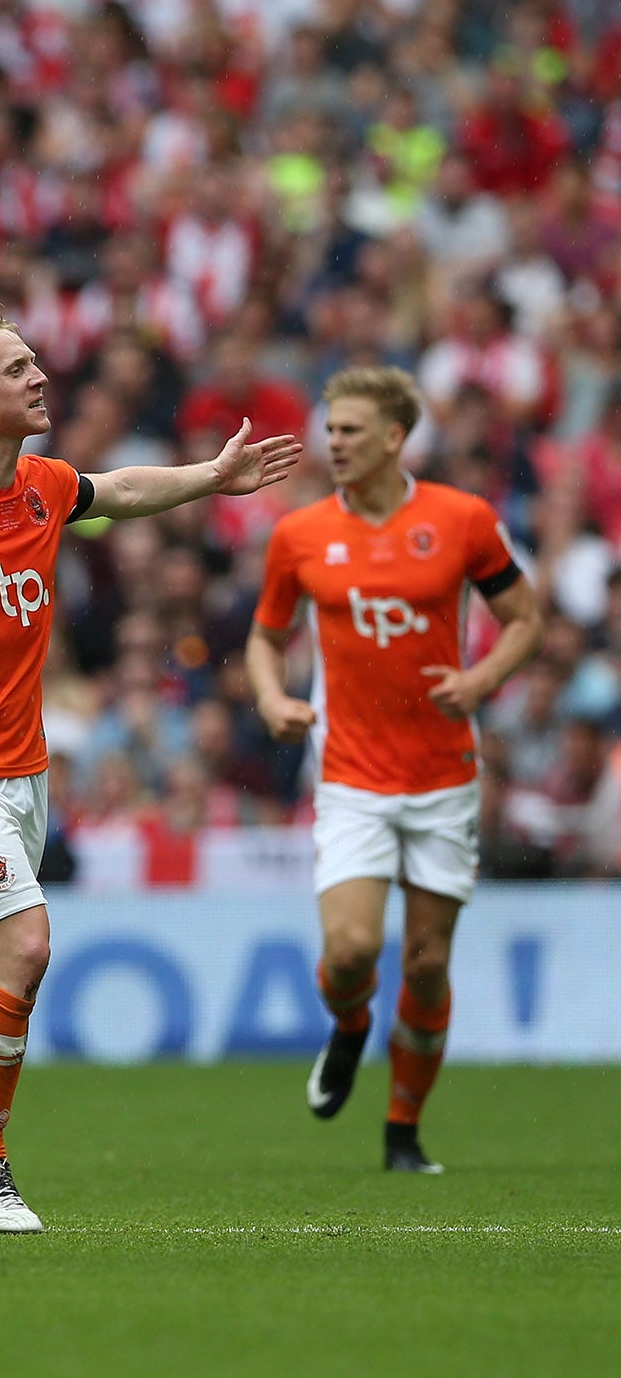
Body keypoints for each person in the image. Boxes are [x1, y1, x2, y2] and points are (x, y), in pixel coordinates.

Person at [0, 311, 300, 1235]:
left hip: (19, 774)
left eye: (35, 359)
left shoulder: (41, 484)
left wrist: (211, 478)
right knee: (28, 947)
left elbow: (116, 489)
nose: (41, 374)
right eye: (17, 366)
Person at [246, 366, 542, 1174]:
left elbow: (525, 618)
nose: (333, 442)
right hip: (350, 777)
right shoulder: (300, 534)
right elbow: (266, 637)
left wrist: (482, 680)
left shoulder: (462, 519)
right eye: (329, 428)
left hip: (443, 776)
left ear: (393, 438)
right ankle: (348, 1028)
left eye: (348, 429)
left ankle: (403, 1130)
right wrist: (273, 697)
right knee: (347, 954)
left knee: (428, 962)